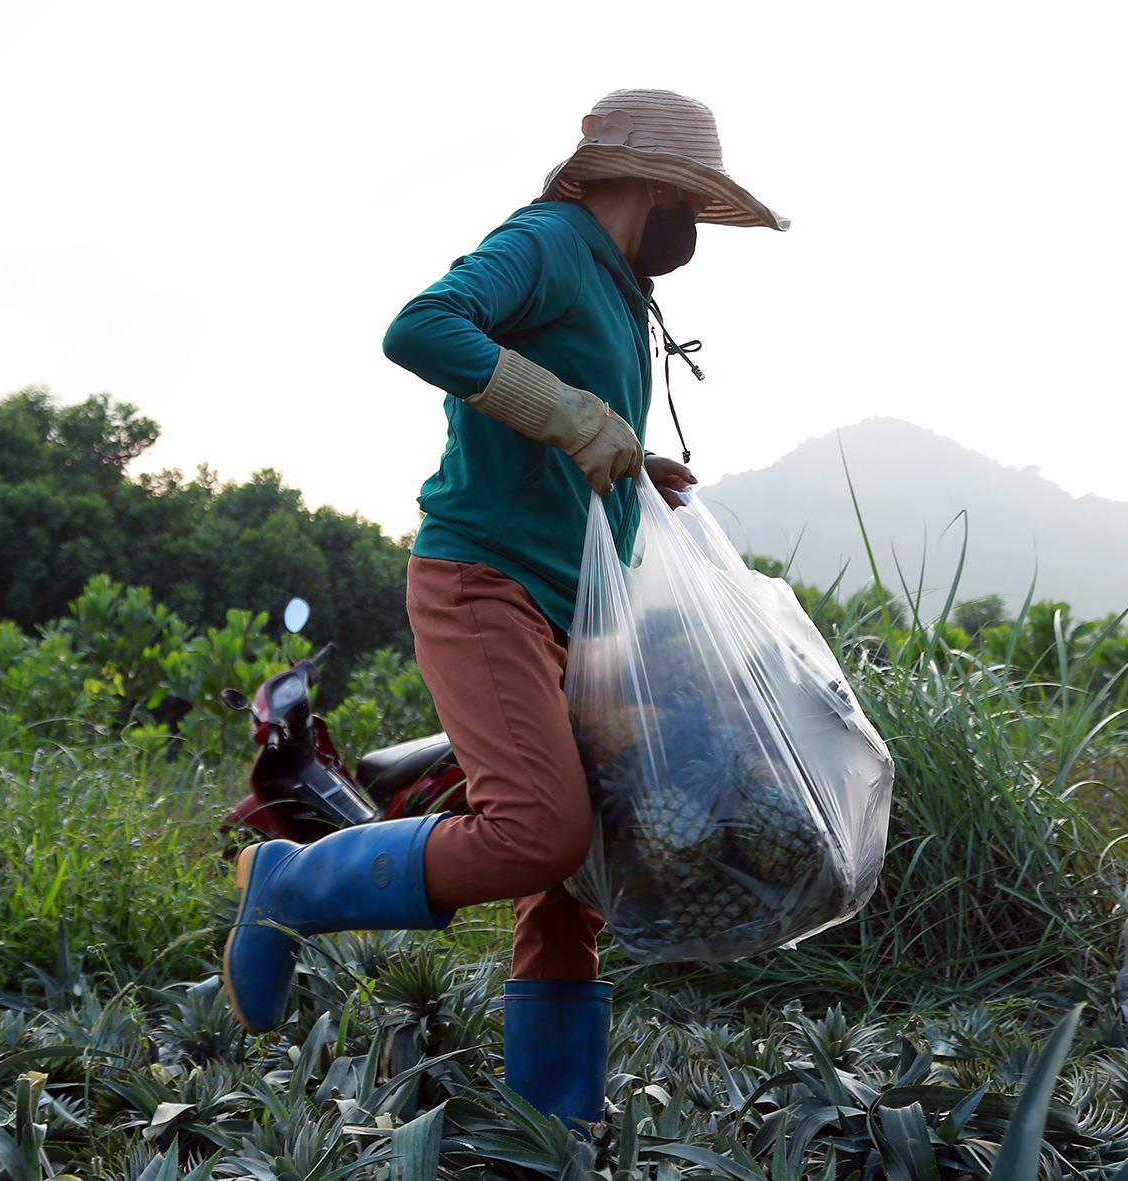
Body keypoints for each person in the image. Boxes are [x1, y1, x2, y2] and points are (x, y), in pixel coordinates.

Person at [220, 89, 787, 1125]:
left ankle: (552, 1126)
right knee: (537, 827)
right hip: (484, 582)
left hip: (578, 612)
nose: (692, 230)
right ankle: (291, 883)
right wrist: (566, 412)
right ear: (660, 189)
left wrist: (627, 464)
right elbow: (422, 328)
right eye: (693, 208)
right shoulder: (546, 241)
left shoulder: (617, 289)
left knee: (575, 877)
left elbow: (564, 430)